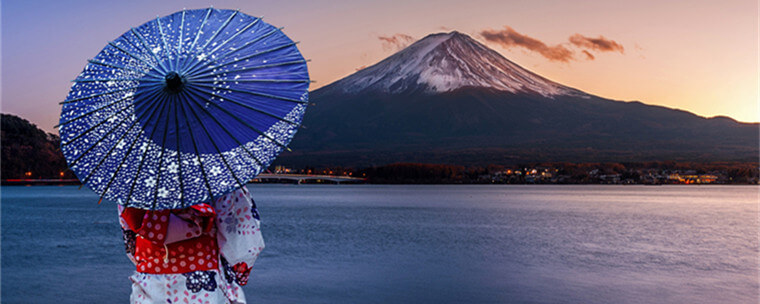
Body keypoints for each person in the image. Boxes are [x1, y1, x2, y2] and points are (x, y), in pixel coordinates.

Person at [118, 187, 264, 304]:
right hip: (204, 285)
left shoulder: (133, 177)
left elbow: (130, 240)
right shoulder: (216, 174)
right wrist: (237, 273)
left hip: (150, 286)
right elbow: (241, 240)